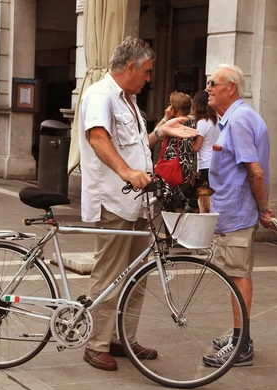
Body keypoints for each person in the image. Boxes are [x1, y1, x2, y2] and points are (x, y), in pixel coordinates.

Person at [78, 36, 198, 371]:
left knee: (137, 275)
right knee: (111, 273)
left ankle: (124, 340)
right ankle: (96, 343)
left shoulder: (127, 99)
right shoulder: (101, 95)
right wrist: (127, 172)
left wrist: (160, 132)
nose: (148, 78)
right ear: (130, 67)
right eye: (145, 72)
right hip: (115, 202)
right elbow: (98, 138)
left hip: (139, 204)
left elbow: (134, 146)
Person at [201, 64, 277, 368]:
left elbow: (255, 172)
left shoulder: (240, 120)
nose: (208, 88)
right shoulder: (231, 119)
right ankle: (238, 336)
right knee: (235, 274)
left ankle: (241, 344)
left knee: (238, 276)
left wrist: (263, 209)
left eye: (212, 83)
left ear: (230, 87)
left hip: (237, 213)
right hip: (231, 212)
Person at [154, 91, 200, 211]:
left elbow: (155, 132)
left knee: (170, 205)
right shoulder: (193, 122)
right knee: (181, 204)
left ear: (173, 108)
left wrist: (165, 117)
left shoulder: (173, 124)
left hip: (172, 169)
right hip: (186, 169)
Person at [191, 90, 219, 213]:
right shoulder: (216, 120)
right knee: (206, 201)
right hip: (216, 163)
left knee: (206, 203)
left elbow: (196, 147)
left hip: (205, 164)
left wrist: (185, 144)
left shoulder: (202, 123)